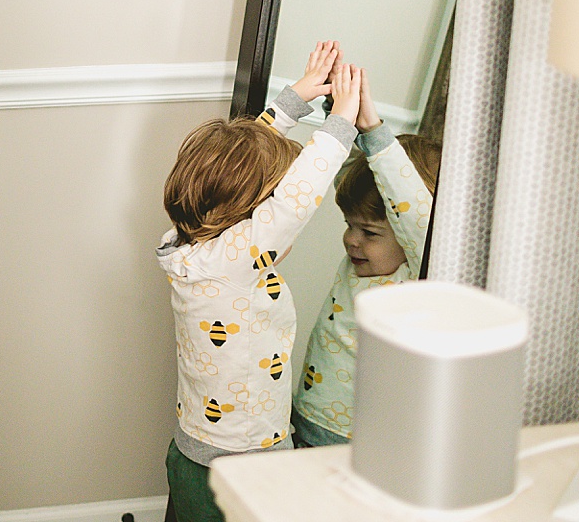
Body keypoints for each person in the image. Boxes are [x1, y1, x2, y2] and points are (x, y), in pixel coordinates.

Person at [155, 43, 360, 522]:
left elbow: (232, 167)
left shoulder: (190, 247)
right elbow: (291, 202)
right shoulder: (234, 262)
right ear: (250, 221)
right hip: (243, 463)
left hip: (194, 449)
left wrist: (293, 101)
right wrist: (341, 124)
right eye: (262, 216)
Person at [291, 72, 440, 447]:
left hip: (354, 440)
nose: (352, 241)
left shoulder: (419, 274)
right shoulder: (365, 264)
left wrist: (375, 131)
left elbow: (416, 214)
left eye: (369, 233)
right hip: (306, 415)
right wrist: (341, 114)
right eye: (350, 226)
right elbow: (349, 174)